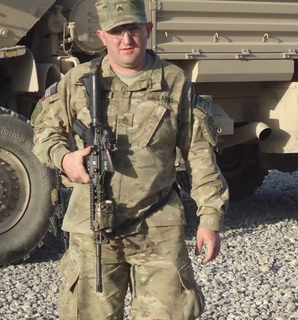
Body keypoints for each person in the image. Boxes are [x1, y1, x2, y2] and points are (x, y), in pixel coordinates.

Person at [31, 0, 229, 318]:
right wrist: (65, 159)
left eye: (133, 28)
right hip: (91, 224)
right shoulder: (77, 81)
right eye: (117, 31)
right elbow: (43, 135)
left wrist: (210, 219)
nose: (126, 39)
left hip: (157, 223)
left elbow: (199, 154)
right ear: (101, 36)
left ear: (147, 30)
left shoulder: (175, 83)